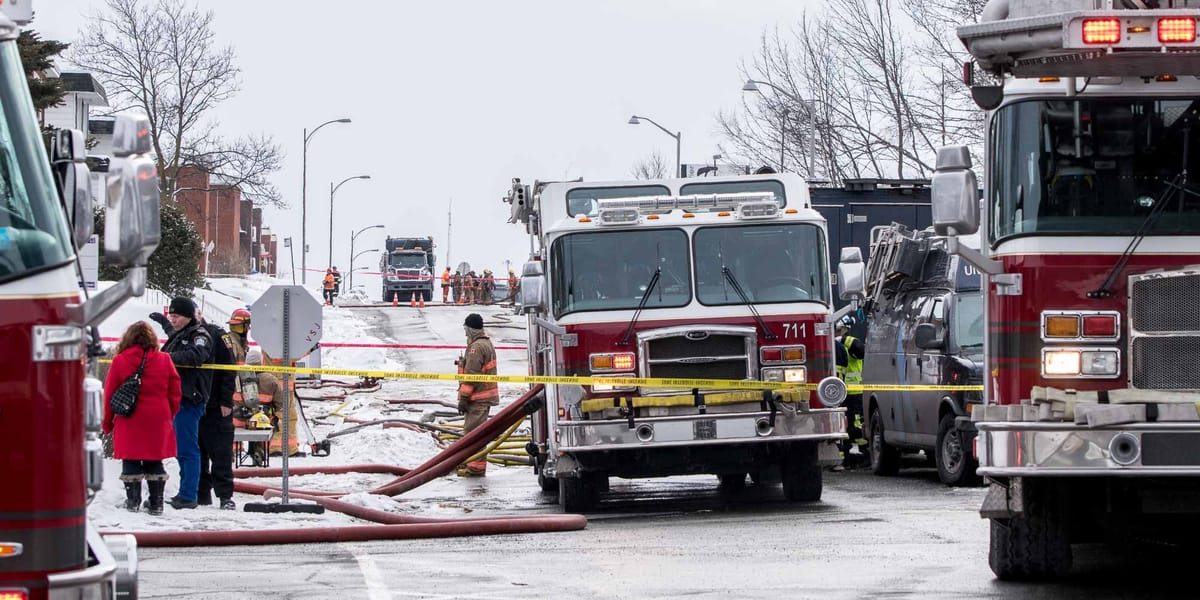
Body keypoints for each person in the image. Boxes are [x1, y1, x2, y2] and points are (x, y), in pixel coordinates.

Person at [103, 321, 181, 516]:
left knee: (131, 459)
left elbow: (110, 394)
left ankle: (133, 501)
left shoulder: (120, 361)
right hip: (158, 417)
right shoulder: (164, 359)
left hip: (129, 418)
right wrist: (169, 413)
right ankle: (156, 503)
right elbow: (175, 391)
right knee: (155, 460)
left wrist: (107, 423)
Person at [160, 297, 214, 509]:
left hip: (190, 399)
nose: (172, 320)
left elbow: (196, 355)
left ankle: (188, 494)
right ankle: (186, 491)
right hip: (177, 398)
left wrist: (165, 358)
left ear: (188, 316)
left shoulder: (200, 335)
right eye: (170, 316)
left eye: (176, 316)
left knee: (187, 449)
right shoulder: (182, 335)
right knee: (181, 448)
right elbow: (175, 343)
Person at [196, 311, 237, 510]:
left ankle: (225, 496)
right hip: (194, 404)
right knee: (196, 454)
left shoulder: (216, 335)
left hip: (215, 406)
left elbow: (229, 370)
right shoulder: (183, 336)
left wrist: (226, 401)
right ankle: (201, 495)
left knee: (220, 453)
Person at [455, 313, 498, 477]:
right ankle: (471, 463)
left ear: (471, 330)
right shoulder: (485, 343)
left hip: (477, 399)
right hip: (482, 398)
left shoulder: (476, 348)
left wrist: (464, 399)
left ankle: (475, 468)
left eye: (466, 330)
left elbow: (471, 376)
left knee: (473, 435)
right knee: (474, 433)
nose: (465, 334)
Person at [835, 314, 867, 470]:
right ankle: (844, 457)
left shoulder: (849, 343)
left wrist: (843, 340)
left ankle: (866, 454)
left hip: (853, 392)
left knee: (855, 424)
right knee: (843, 426)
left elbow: (861, 350)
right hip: (838, 394)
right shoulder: (833, 346)